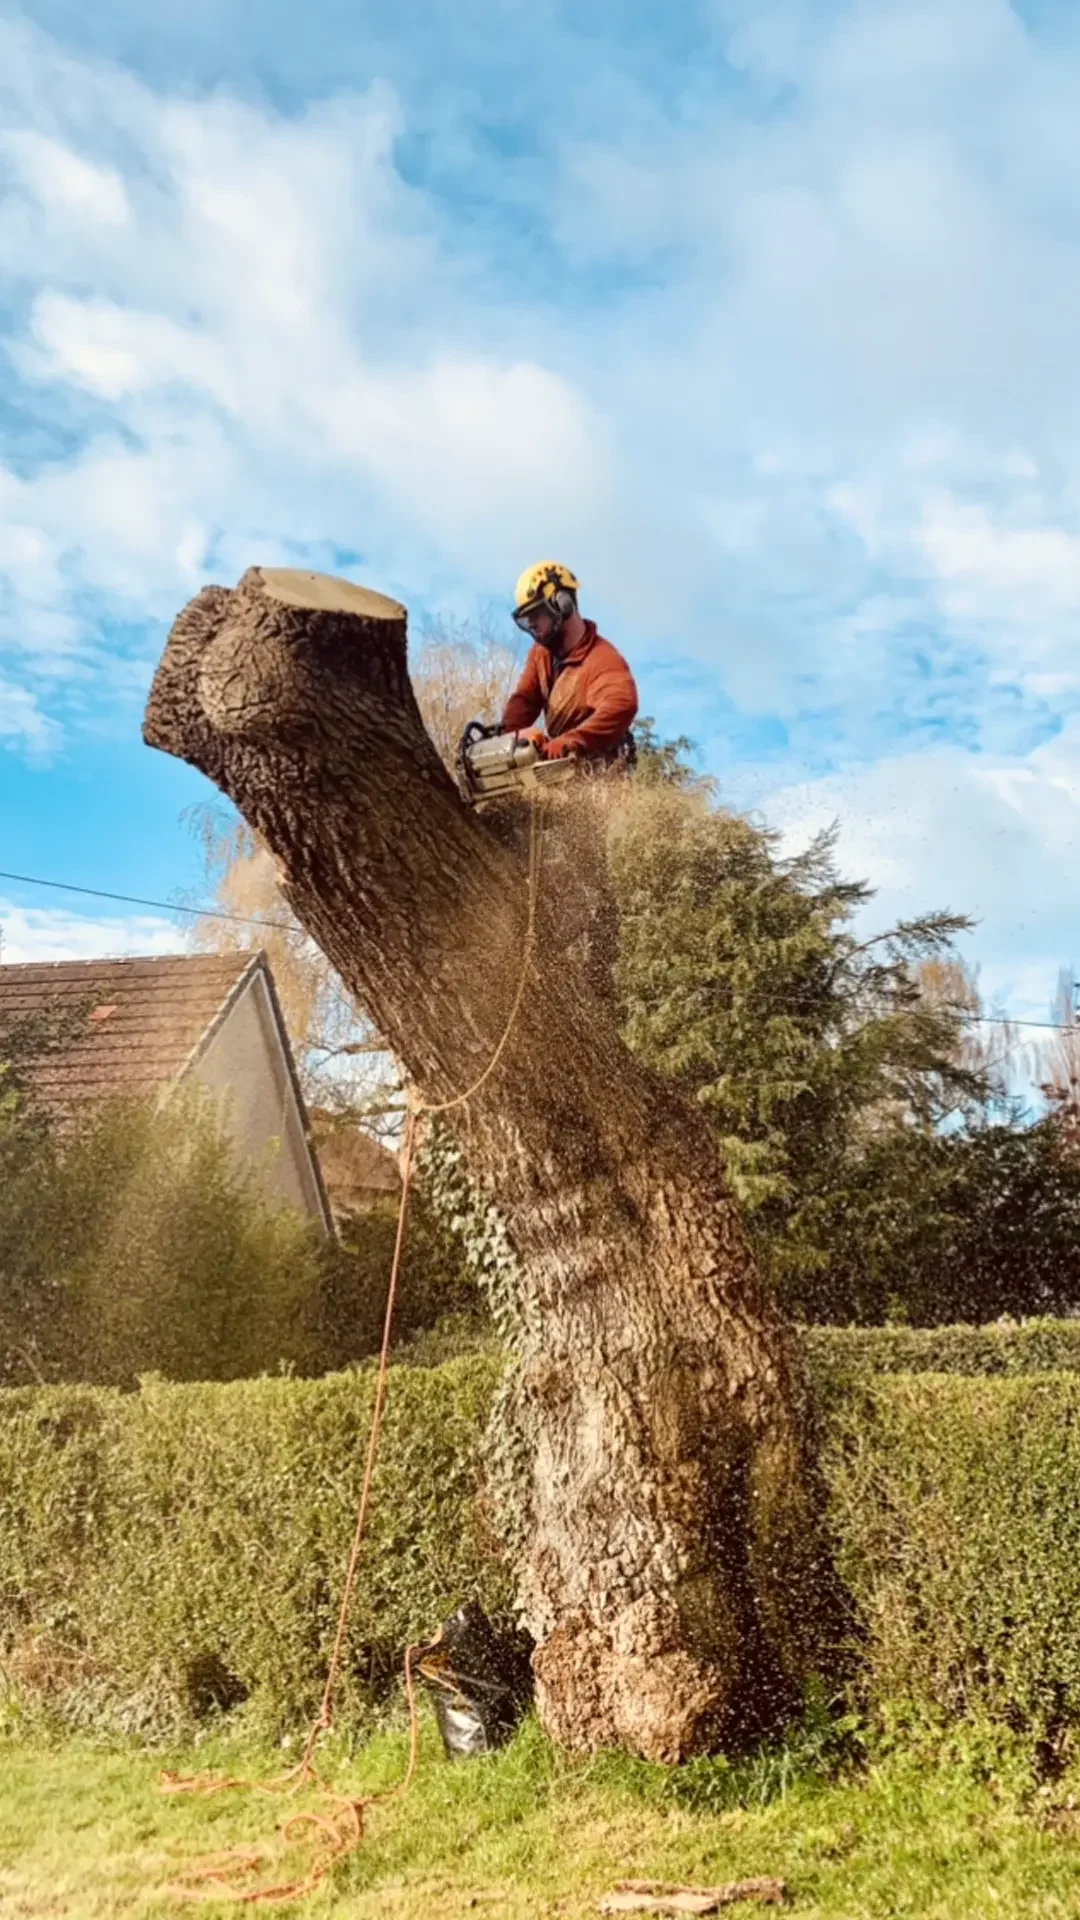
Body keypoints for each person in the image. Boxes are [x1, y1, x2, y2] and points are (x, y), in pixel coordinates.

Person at [501, 562, 639, 763]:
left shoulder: (602, 659)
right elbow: (525, 700)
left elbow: (622, 704)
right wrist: (506, 738)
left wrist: (572, 741)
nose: (531, 624)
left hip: (601, 764)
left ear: (562, 604)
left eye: (536, 614)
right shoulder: (541, 654)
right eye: (527, 618)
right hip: (562, 760)